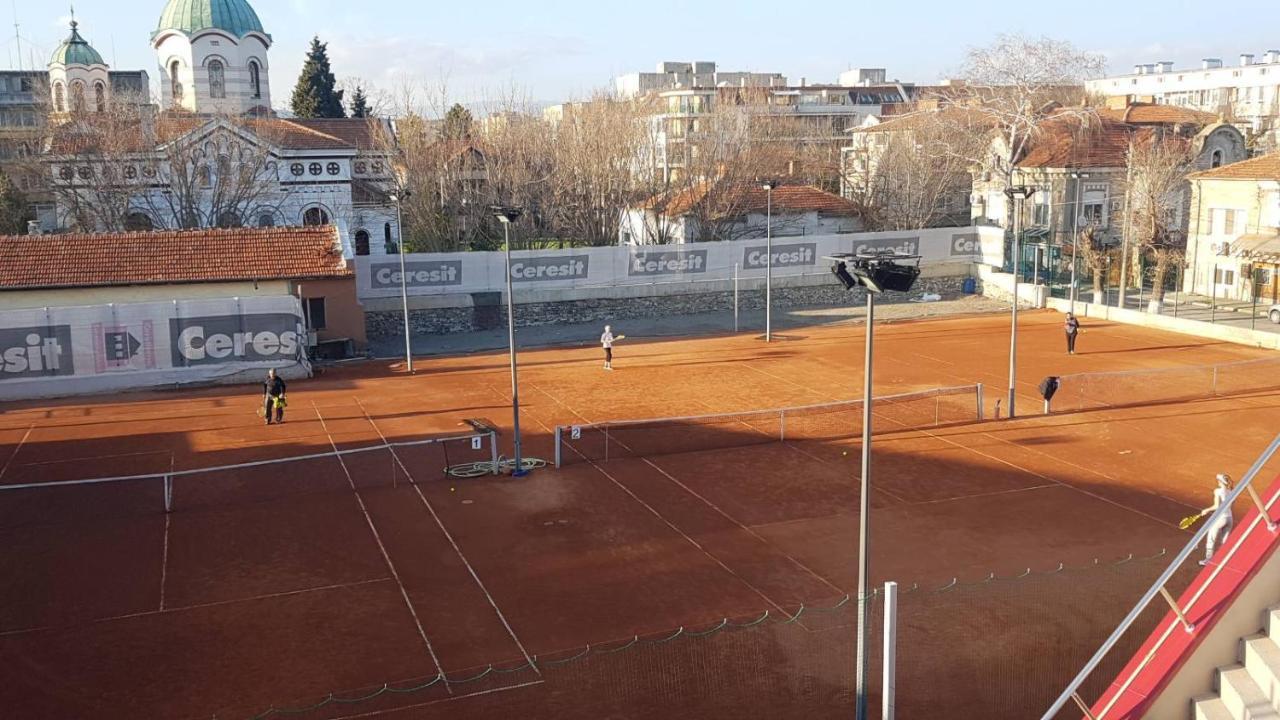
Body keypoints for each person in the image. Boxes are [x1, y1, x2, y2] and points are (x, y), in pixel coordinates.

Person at [1197, 473, 1234, 566]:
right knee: (1225, 541)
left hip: (1221, 519)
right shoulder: (1231, 491)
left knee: (1211, 539)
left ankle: (1208, 559)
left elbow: (1216, 506)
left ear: (1221, 482)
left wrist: (1206, 510)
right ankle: (1225, 560)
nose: (1217, 481)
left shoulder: (1218, 491)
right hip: (1230, 518)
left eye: (1218, 480)